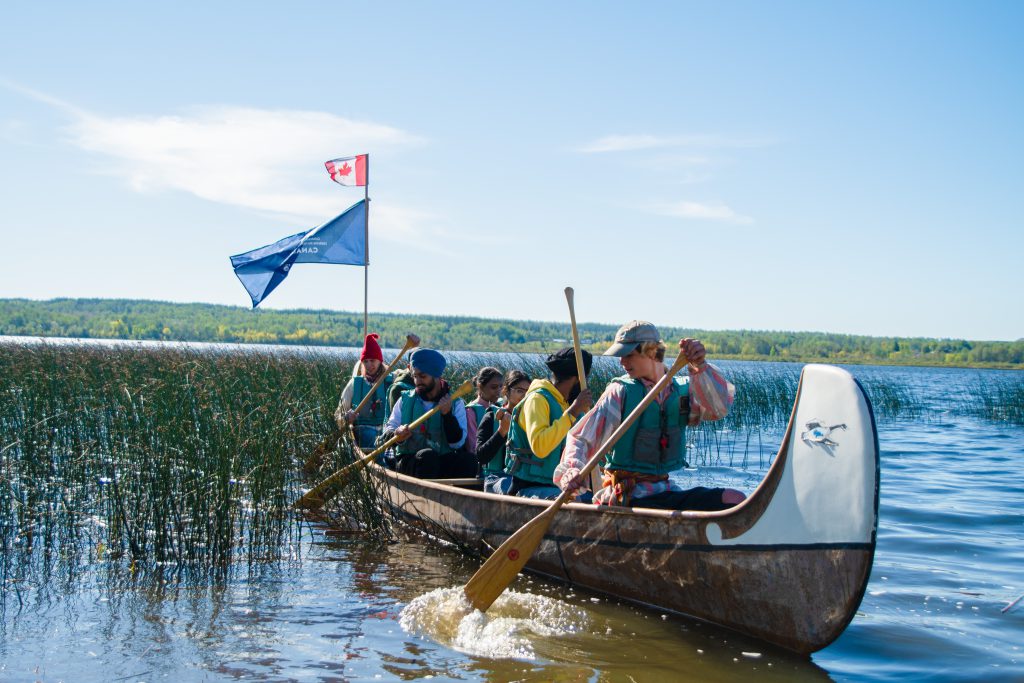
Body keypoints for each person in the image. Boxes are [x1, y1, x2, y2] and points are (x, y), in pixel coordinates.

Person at [554, 321, 745, 510]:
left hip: (665, 492)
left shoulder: (682, 389)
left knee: (733, 499)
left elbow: (718, 409)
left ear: (652, 352)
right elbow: (580, 438)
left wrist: (700, 365)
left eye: (628, 355)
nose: (622, 362)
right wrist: (572, 471)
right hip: (627, 497)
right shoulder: (620, 392)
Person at [496, 347, 594, 499]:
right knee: (577, 501)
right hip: (530, 486)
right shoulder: (538, 400)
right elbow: (540, 447)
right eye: (586, 378)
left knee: (595, 498)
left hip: (560, 485)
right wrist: (572, 412)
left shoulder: (567, 404)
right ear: (577, 379)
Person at [378, 347, 478, 479]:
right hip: (412, 460)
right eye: (415, 376)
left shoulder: (455, 403)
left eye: (423, 376)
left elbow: (457, 443)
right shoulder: (405, 400)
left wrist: (447, 415)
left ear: (437, 376)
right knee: (427, 457)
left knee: (469, 460)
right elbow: (388, 430)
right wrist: (397, 434)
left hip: (443, 460)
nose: (417, 381)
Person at [334, 333, 394, 448]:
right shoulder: (354, 384)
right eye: (365, 361)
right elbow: (338, 415)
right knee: (371, 437)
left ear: (379, 361)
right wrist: (346, 419)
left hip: (386, 431)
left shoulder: (391, 381)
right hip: (363, 431)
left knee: (385, 440)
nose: (369, 365)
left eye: (372, 360)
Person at [475, 369, 530, 493]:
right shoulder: (492, 416)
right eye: (519, 391)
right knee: (513, 489)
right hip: (496, 477)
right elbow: (481, 456)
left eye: (528, 392)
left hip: (523, 478)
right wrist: (501, 431)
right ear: (506, 391)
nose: (524, 396)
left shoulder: (531, 421)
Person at [464, 366, 503, 455]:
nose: (499, 391)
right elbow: (472, 447)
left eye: (501, 386)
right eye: (494, 387)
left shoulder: (502, 405)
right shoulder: (471, 411)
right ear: (480, 386)